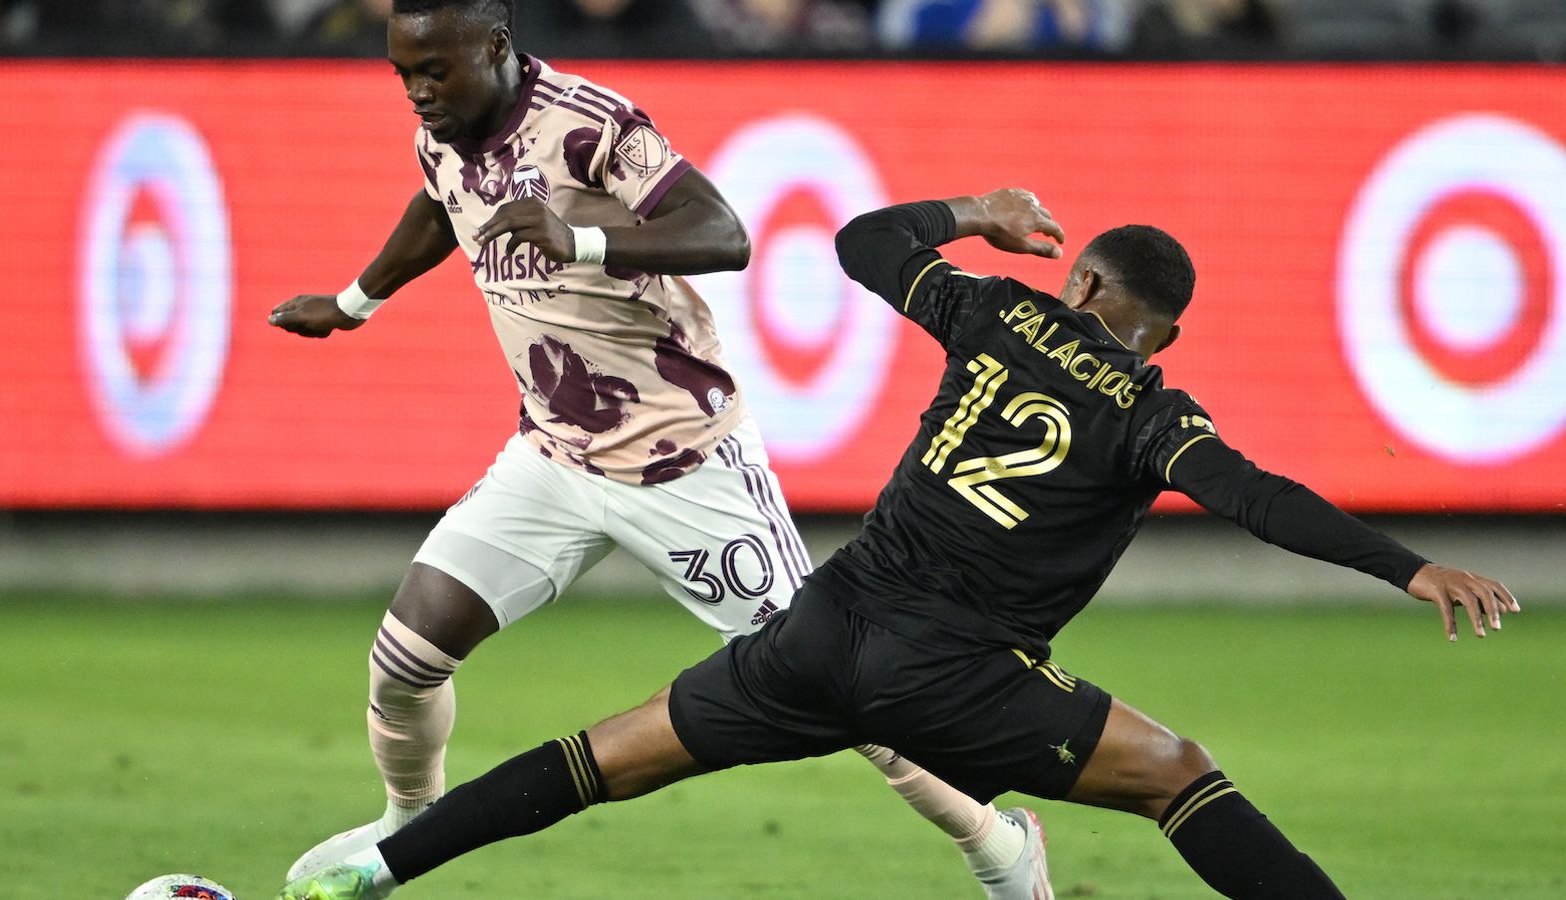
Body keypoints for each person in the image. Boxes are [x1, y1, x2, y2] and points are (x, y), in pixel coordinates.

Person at [275, 186, 1520, 900]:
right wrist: (1411, 567)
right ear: (1163, 336)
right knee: (1177, 775)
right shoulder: (1156, 415)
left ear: (1080, 284)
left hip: (817, 634)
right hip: (958, 674)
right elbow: (1263, 501)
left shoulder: (998, 315)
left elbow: (865, 242)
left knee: (601, 758)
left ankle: (382, 867)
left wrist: (977, 214)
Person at [266, 1, 1045, 896]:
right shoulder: (444, 133)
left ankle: (998, 841)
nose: (416, 93)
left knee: (839, 687)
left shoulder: (593, 127)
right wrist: (354, 303)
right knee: (405, 657)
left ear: (495, 47)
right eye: (403, 74)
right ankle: (409, 826)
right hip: (553, 460)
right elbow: (441, 206)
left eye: (433, 71)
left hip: (688, 465)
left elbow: (726, 234)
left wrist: (581, 238)